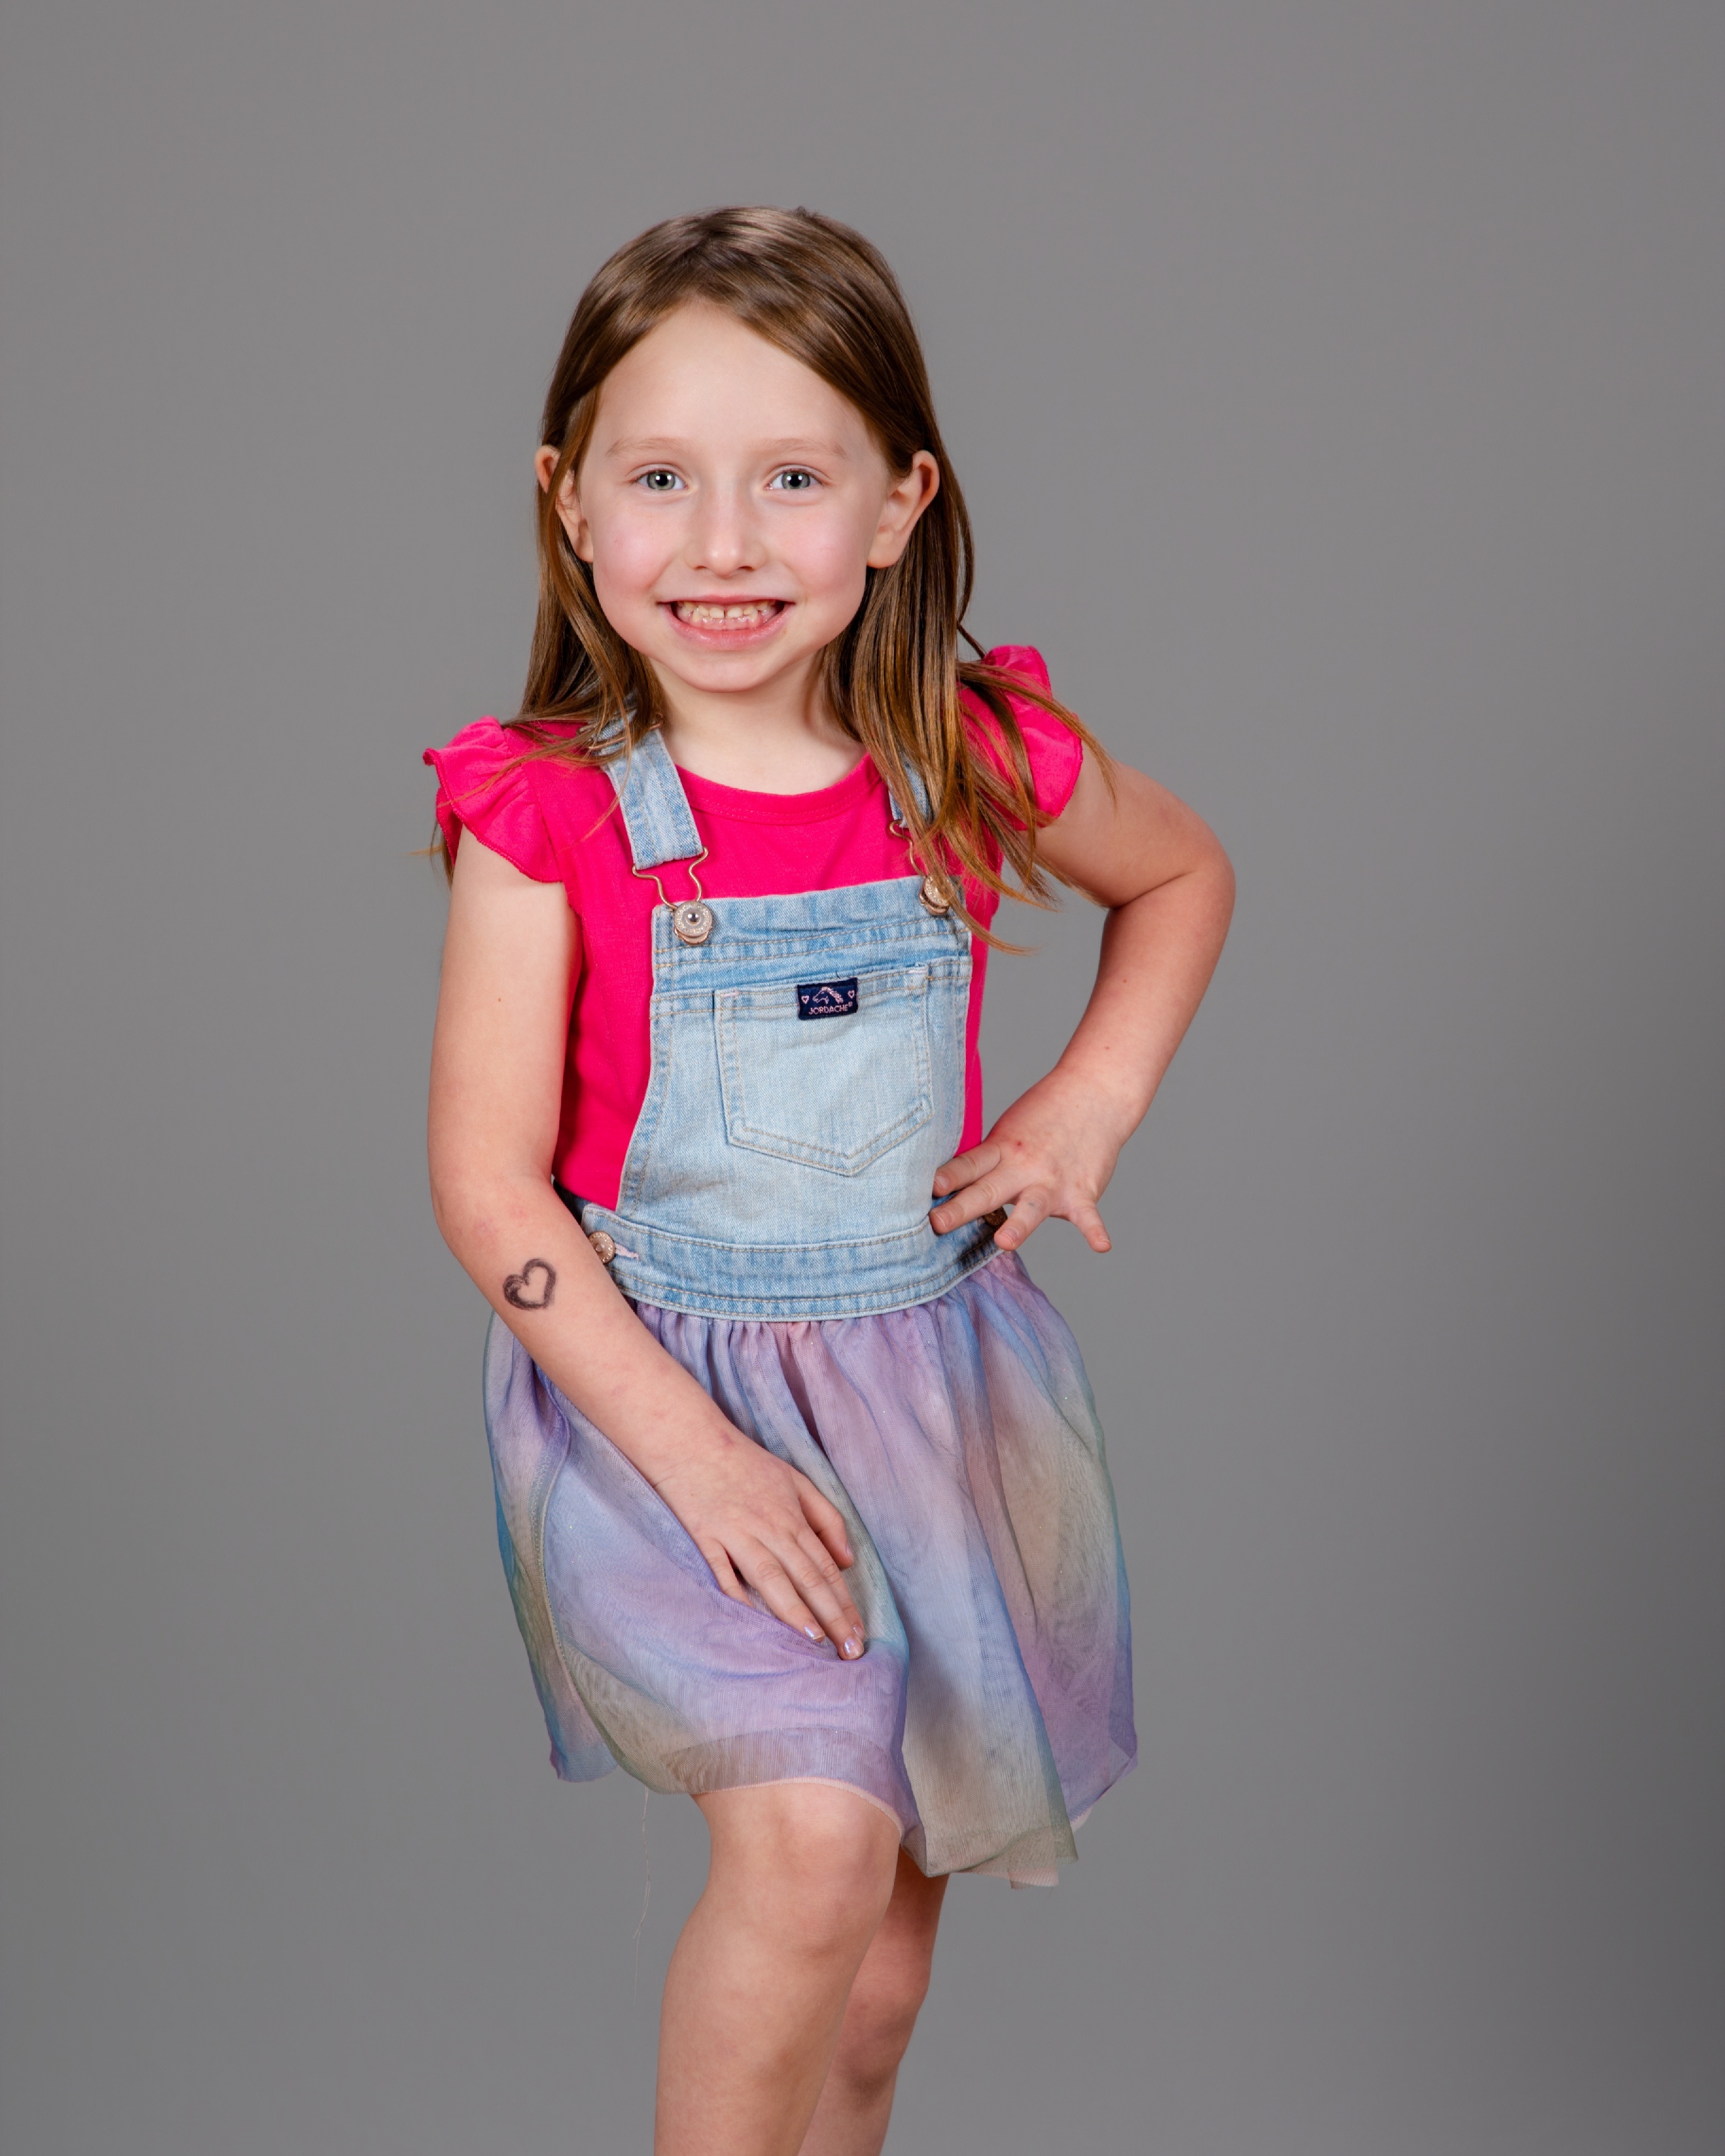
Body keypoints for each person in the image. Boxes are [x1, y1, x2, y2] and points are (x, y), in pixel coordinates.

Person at [424, 205, 1233, 2156]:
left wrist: (1089, 1098)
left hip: (923, 1394)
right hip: (660, 1398)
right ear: (569, 502)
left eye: (792, 477)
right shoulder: (551, 812)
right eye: (661, 479)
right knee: (804, 1849)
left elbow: (1183, 872)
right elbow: (491, 1187)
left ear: (897, 505)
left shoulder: (967, 750)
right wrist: (698, 1461)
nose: (723, 541)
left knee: (868, 1990)